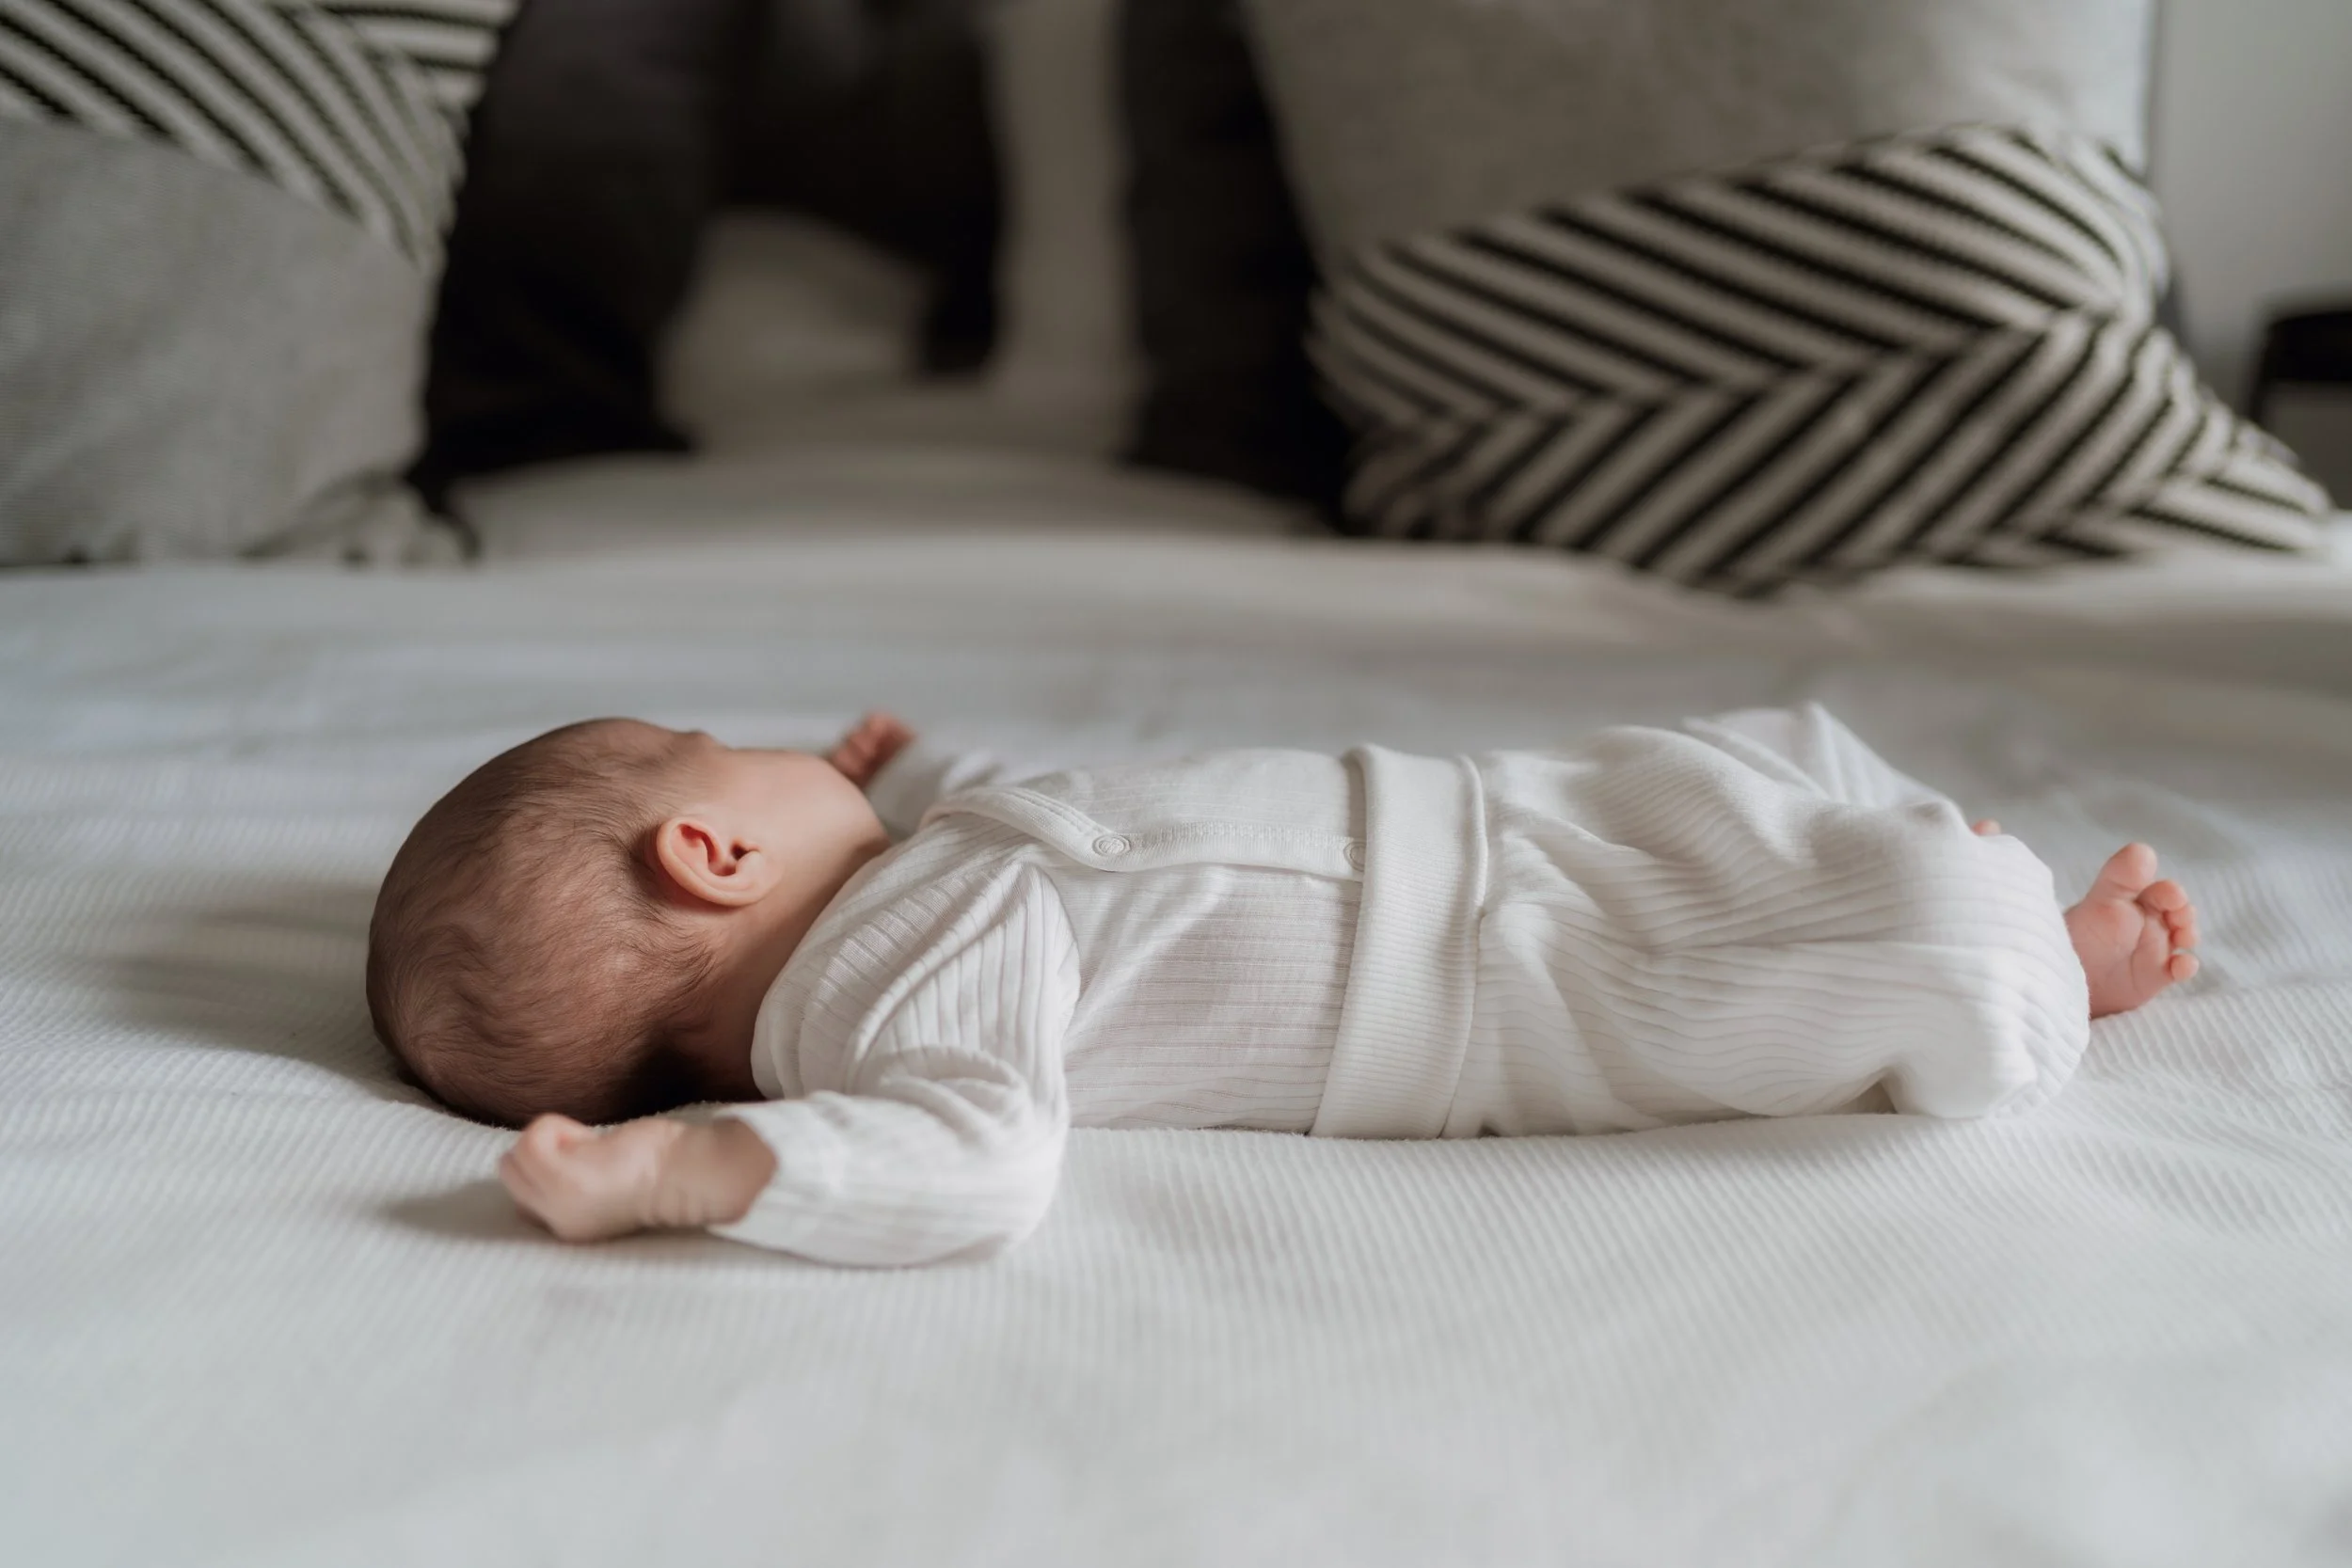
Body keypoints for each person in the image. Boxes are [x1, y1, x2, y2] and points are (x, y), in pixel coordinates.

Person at [366, 706, 2198, 1267]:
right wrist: (707, 1169)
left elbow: (1024, 817)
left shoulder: (903, 875)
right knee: (1879, 941)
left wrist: (873, 772)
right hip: (1494, 980)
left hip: (1477, 824)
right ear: (709, 856)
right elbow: (982, 1154)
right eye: (721, 747)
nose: (773, 745)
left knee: (1757, 759)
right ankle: (2037, 952)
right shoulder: (883, 993)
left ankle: (1889, 839)